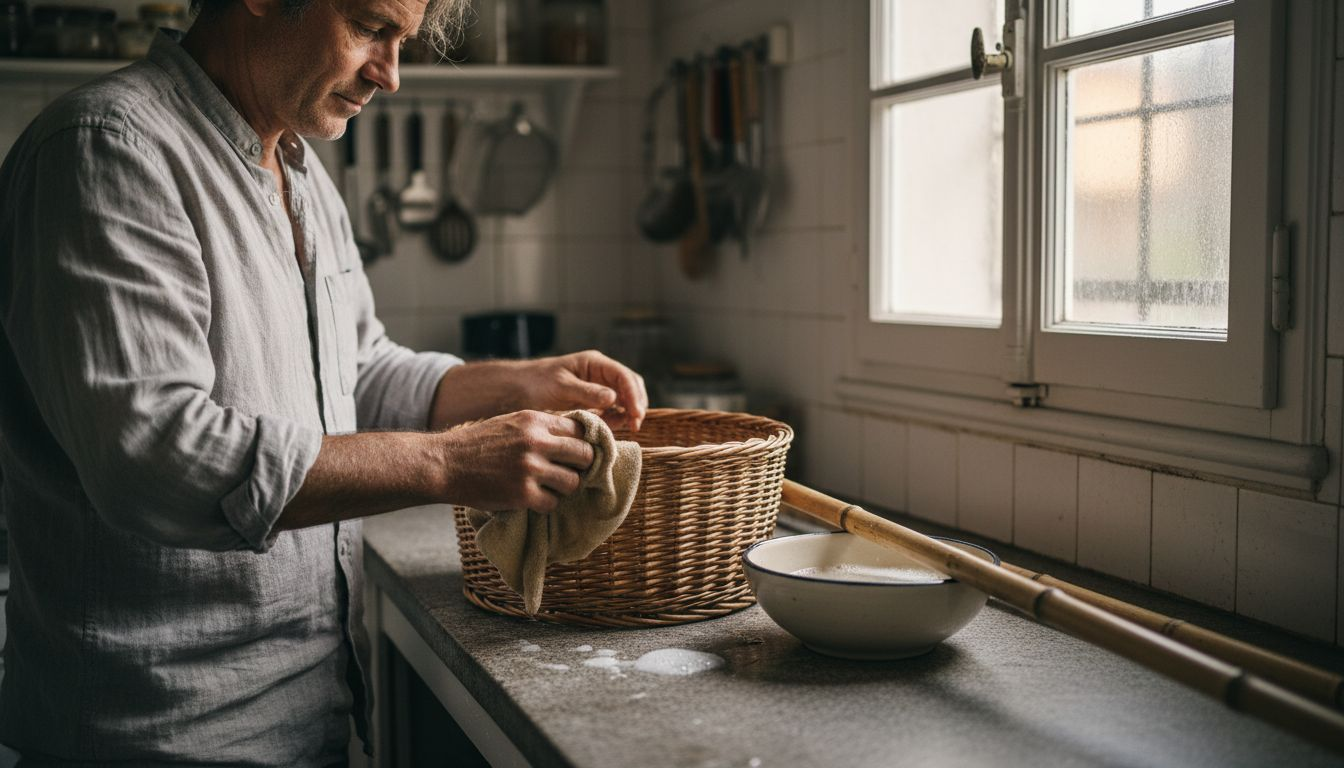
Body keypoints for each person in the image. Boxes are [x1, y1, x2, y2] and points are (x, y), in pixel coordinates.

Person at [0, 0, 647, 762]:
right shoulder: (107, 150)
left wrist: (521, 383)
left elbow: (356, 372)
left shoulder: (301, 173)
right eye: (371, 28)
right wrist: (450, 463)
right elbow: (157, 457)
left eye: (402, 41)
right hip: (161, 739)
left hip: (312, 717)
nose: (391, 75)